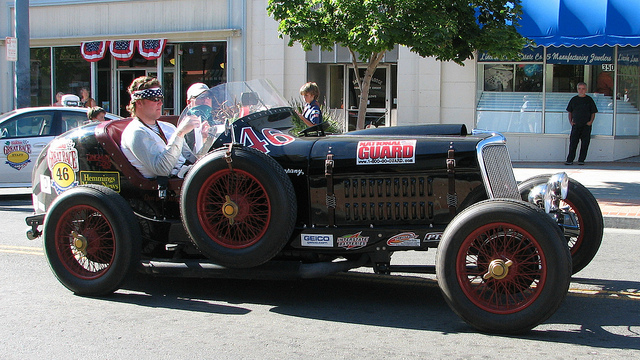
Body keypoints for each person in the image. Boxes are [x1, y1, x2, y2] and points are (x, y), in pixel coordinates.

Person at [120, 76, 202, 179]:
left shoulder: (167, 127)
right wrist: (180, 133)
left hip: (188, 174)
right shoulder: (135, 132)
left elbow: (190, 157)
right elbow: (162, 170)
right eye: (155, 99)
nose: (160, 103)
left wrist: (205, 138)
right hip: (172, 183)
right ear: (139, 103)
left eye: (161, 99)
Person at [565, 82, 598, 165]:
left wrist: (590, 122)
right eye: (579, 88)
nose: (581, 90)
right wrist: (571, 122)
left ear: (586, 90)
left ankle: (581, 160)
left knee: (585, 144)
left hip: (586, 126)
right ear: (577, 89)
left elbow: (593, 112)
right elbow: (570, 112)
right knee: (573, 143)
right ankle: (570, 160)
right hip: (576, 125)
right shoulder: (574, 100)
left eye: (583, 88)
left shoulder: (589, 100)